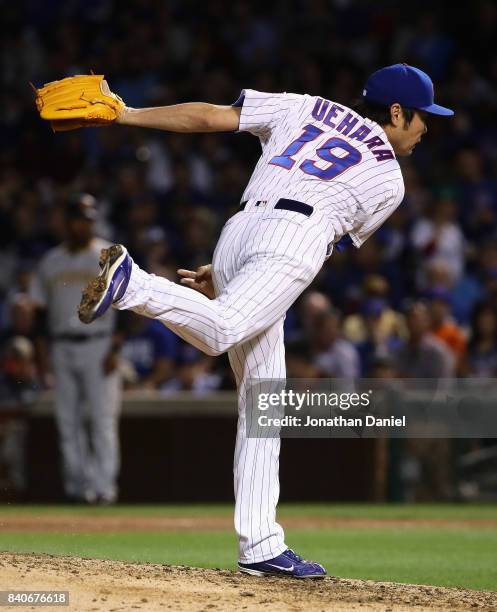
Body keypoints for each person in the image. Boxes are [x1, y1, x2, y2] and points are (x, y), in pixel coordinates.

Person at [77, 64, 453, 577]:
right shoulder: (389, 179)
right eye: (421, 117)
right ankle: (134, 284)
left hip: (239, 231)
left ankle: (259, 544)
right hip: (295, 237)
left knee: (263, 396)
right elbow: (320, 246)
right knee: (223, 329)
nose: (426, 127)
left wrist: (127, 114)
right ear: (395, 111)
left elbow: (208, 117)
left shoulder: (305, 104)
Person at [30, 194, 121, 504]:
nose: (85, 225)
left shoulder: (107, 254)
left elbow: (128, 306)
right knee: (68, 422)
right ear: (67, 223)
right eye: (80, 219)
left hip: (99, 344)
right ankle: (76, 489)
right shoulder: (50, 262)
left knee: (102, 420)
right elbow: (39, 315)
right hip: (61, 346)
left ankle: (104, 490)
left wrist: (115, 350)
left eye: (89, 220)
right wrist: (43, 360)